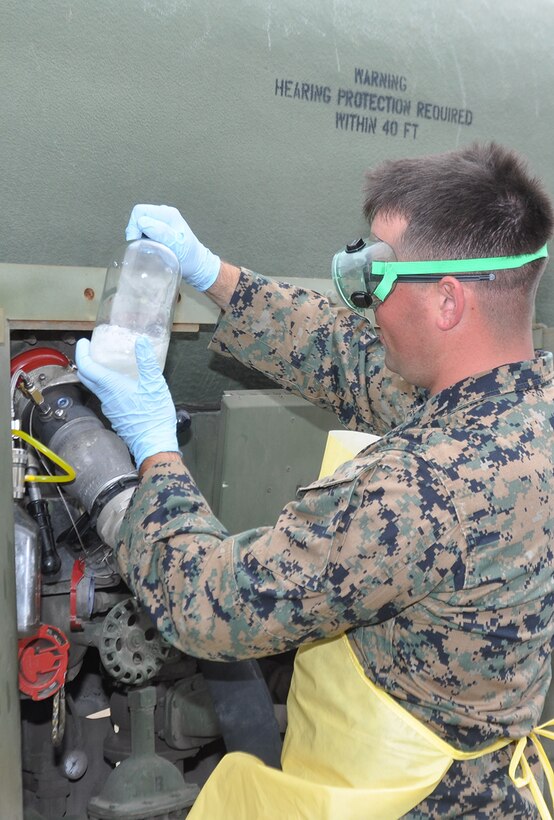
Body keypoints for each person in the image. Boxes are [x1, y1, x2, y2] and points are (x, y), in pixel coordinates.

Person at [76, 142, 554, 818]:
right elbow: (350, 361)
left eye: (377, 276)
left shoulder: (422, 487)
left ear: (448, 302)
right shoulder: (524, 403)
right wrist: (214, 275)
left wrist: (153, 448)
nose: (367, 304)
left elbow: (211, 606)